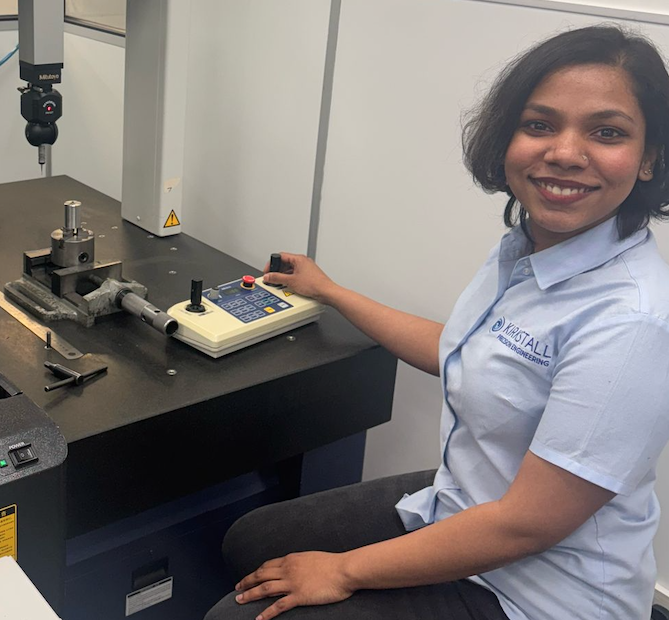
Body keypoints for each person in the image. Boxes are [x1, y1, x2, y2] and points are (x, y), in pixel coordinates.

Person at [204, 25, 669, 620]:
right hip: (464, 505)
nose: (564, 152)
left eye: (607, 132)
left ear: (649, 158)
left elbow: (527, 525)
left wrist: (341, 571)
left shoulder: (631, 322)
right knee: (253, 540)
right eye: (540, 124)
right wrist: (331, 293)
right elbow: (462, 351)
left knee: (236, 617)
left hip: (538, 591)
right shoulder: (526, 248)